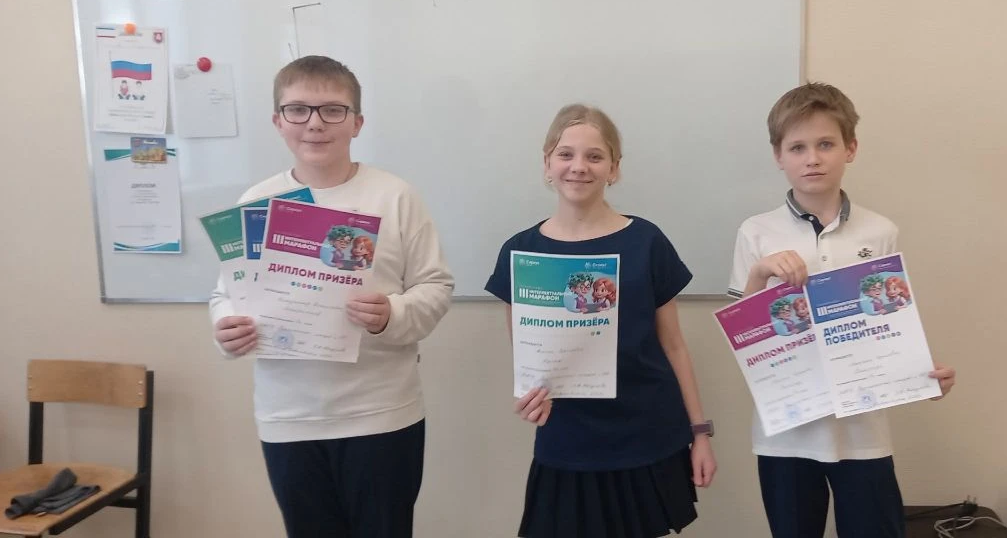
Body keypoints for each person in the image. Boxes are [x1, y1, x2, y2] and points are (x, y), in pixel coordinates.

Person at [208, 55, 454, 538]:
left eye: (333, 110)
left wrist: (392, 313)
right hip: (288, 416)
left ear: (357, 122)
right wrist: (226, 328)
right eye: (298, 109)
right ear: (278, 121)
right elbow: (226, 293)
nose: (315, 123)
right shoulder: (256, 203)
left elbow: (436, 286)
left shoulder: (396, 197)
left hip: (381, 414)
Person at [727, 82, 957, 538]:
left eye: (826, 144)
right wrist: (760, 273)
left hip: (862, 431)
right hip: (787, 431)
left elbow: (890, 325)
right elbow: (744, 342)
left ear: (850, 148)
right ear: (778, 156)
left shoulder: (881, 231)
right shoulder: (756, 232)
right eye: (798, 147)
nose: (812, 158)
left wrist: (921, 376)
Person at [486, 103, 717, 538]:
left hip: (647, 435)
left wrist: (700, 432)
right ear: (547, 163)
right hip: (568, 440)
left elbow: (673, 346)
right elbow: (527, 357)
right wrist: (529, 395)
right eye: (565, 154)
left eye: (594, 156)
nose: (579, 166)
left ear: (614, 168)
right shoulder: (522, 253)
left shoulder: (647, 241)